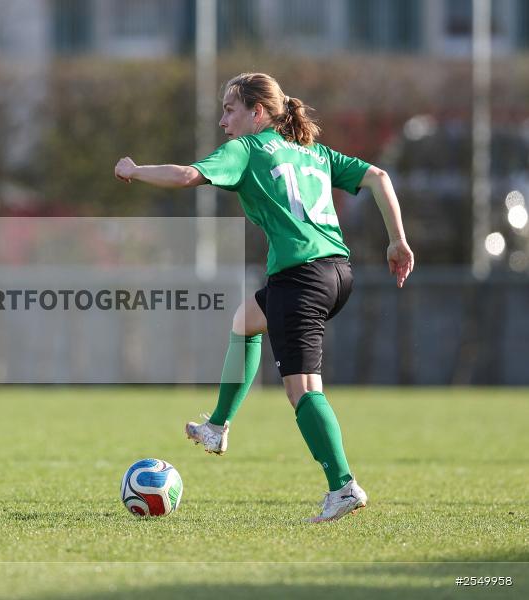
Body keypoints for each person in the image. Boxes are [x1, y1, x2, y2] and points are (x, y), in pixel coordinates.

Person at [114, 72, 414, 523]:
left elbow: (187, 175)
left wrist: (135, 171)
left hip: (300, 279)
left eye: (229, 110)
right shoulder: (313, 152)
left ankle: (343, 486)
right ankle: (217, 426)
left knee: (303, 390)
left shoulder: (249, 149)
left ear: (257, 112)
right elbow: (379, 176)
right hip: (337, 273)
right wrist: (397, 240)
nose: (222, 121)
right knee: (246, 320)